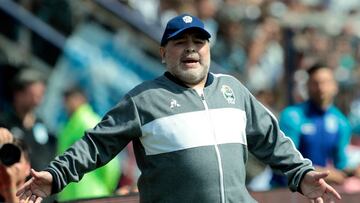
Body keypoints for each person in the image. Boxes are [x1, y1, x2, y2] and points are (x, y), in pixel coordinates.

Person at [17, 14, 341, 203]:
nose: (190, 49)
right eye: (179, 42)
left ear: (208, 49)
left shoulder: (234, 90)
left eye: (198, 42)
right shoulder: (143, 99)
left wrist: (302, 173)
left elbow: (273, 142)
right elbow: (95, 145)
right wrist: (56, 174)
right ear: (163, 53)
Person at [271, 63, 353, 187]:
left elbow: (340, 165)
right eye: (315, 83)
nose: (321, 88)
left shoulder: (341, 121)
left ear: (335, 86)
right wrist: (322, 173)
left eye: (325, 82)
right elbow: (285, 161)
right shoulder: (293, 116)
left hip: (318, 189)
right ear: (308, 86)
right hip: (286, 191)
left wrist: (352, 171)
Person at [55, 87, 121, 201]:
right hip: (70, 196)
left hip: (91, 195)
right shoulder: (69, 125)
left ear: (80, 99)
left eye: (70, 99)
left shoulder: (90, 122)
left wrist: (107, 189)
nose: (66, 104)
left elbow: (112, 164)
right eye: (65, 100)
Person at [0, 68, 57, 172]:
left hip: (39, 184)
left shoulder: (40, 125)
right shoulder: (5, 122)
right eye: (33, 95)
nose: (38, 100)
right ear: (19, 93)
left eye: (41, 95)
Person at [0, 128, 31, 203]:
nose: (8, 164)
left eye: (15, 159)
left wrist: (9, 186)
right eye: (4, 157)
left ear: (27, 168)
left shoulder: (34, 200)